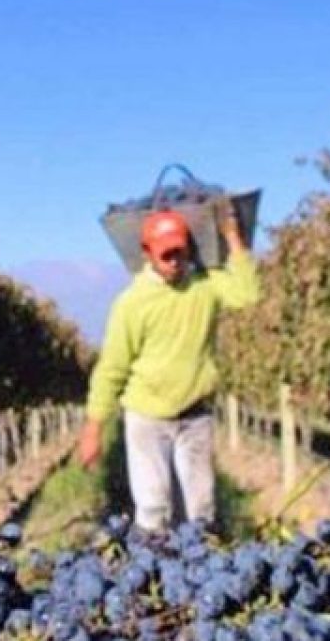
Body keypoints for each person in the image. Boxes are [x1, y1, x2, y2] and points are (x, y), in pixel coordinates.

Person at [76, 203, 260, 532]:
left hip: (195, 415)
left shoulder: (205, 284)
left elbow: (247, 294)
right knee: (153, 508)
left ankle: (197, 575)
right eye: (166, 255)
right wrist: (94, 427)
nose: (175, 262)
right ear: (147, 252)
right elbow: (112, 368)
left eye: (180, 252)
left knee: (200, 511)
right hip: (147, 417)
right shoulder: (132, 303)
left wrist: (233, 237)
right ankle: (154, 576)